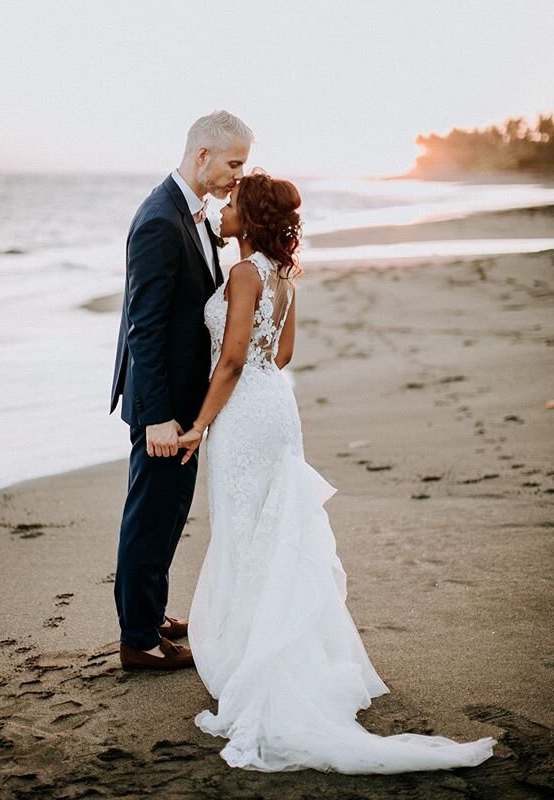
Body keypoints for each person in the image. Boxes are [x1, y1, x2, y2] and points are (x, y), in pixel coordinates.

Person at [177, 171, 497, 773]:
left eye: (231, 205)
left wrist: (198, 424)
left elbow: (235, 360)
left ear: (249, 218)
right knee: (275, 532)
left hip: (245, 413)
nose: (221, 211)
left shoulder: (244, 274)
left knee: (246, 531)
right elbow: (283, 354)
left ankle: (252, 658)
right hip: (278, 405)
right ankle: (273, 645)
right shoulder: (283, 275)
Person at [110, 111, 253, 670]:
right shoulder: (158, 221)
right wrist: (159, 417)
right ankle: (139, 641)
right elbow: (143, 326)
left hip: (184, 401)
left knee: (169, 514)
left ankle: (151, 610)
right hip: (162, 406)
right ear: (202, 156)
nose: (237, 176)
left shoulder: (190, 213)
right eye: (233, 163)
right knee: (150, 516)